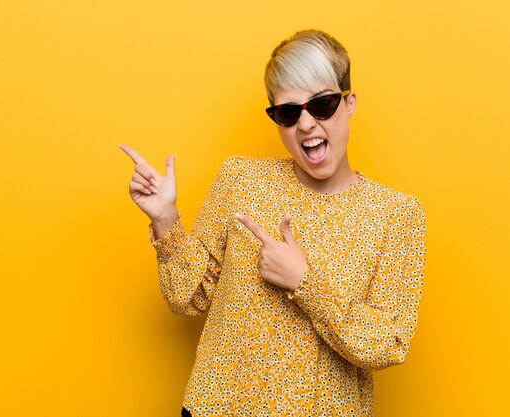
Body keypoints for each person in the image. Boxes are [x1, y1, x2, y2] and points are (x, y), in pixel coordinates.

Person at [120, 29, 426, 417]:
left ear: (349, 103)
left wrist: (305, 282)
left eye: (322, 104)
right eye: (288, 112)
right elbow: (187, 297)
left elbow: (386, 343)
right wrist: (165, 218)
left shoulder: (397, 215)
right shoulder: (241, 180)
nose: (306, 124)